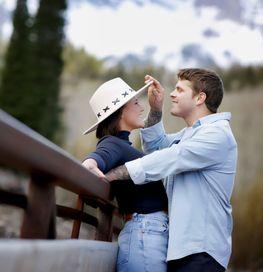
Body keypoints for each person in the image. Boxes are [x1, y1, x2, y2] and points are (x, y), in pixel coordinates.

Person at [87, 69, 237, 272]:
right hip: (181, 247)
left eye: (179, 90)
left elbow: (169, 158)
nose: (172, 94)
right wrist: (156, 109)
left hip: (201, 250)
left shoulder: (216, 134)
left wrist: (114, 174)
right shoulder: (189, 135)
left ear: (200, 98)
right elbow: (157, 148)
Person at [82, 77, 169, 272]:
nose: (141, 107)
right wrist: (89, 165)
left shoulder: (121, 145)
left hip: (147, 235)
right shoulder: (112, 143)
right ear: (120, 111)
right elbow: (94, 160)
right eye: (136, 102)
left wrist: (157, 108)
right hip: (144, 236)